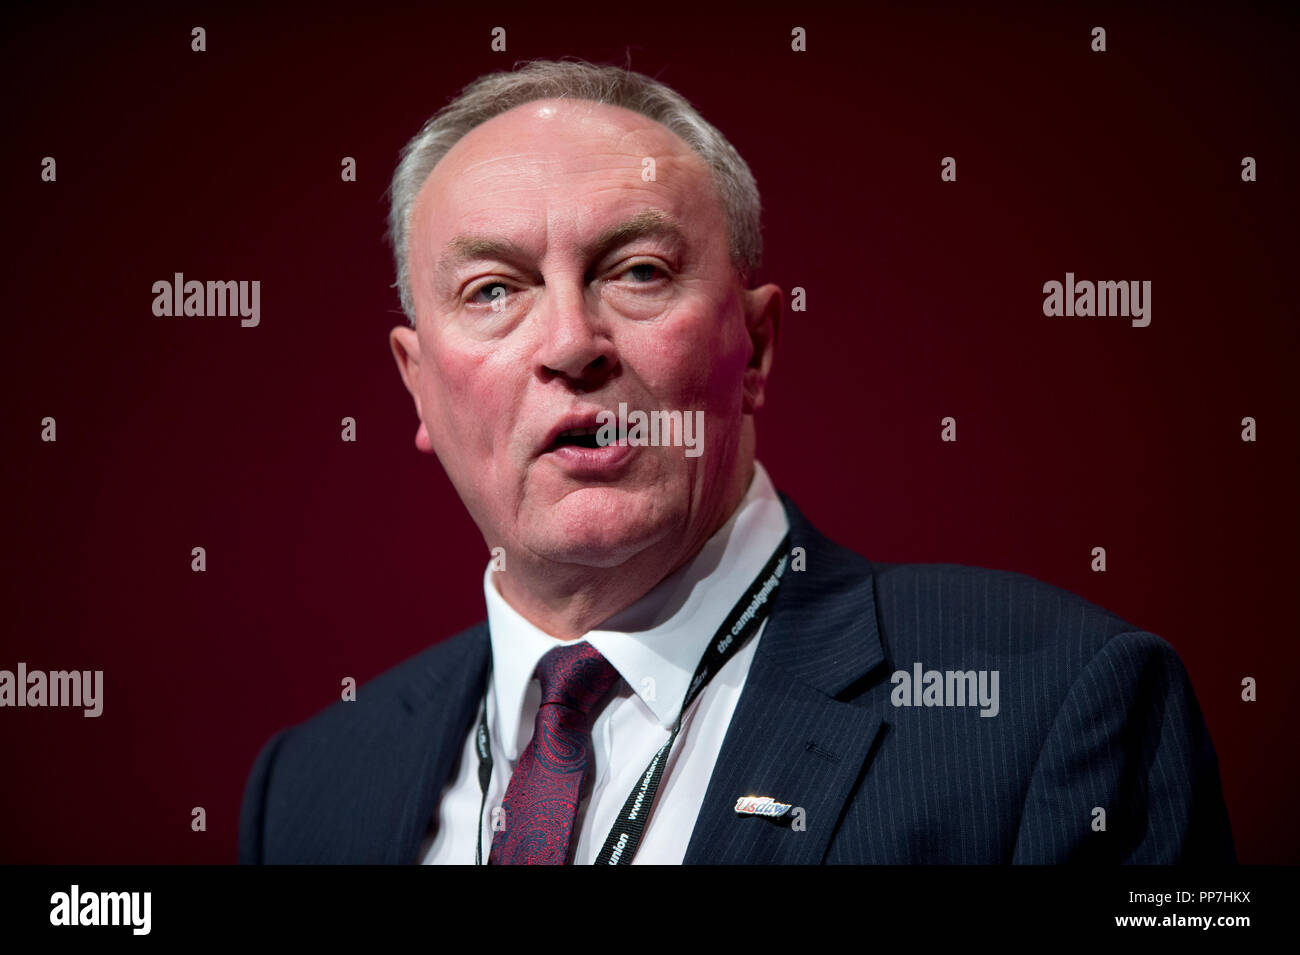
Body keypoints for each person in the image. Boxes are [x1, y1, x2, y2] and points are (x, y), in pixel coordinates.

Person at [238, 59, 1234, 865]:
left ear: (753, 347)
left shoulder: (1049, 702)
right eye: (494, 290)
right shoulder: (312, 787)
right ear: (418, 385)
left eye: (636, 272)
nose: (570, 343)